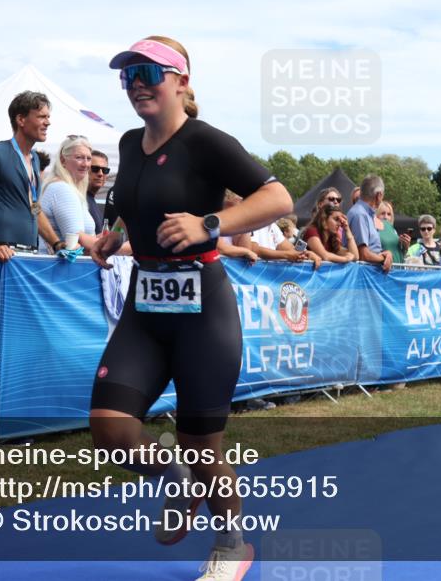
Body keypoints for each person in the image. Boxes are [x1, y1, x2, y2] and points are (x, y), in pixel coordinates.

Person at [90, 36, 293, 579]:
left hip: (204, 308)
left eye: (148, 73)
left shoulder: (207, 142)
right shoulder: (130, 144)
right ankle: (178, 480)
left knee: (203, 444)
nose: (136, 84)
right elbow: (127, 202)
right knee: (110, 430)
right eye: (127, 75)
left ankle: (232, 543)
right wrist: (113, 236)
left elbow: (278, 199)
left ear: (180, 80)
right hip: (146, 307)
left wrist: (210, 224)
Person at [0, 91, 65, 261]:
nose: (48, 122)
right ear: (21, 120)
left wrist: (56, 243)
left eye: (48, 117)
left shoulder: (35, 160)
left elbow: (34, 208)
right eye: (41, 117)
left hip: (29, 254)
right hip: (1, 255)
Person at [38, 136, 98, 253]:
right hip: (58, 267)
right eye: (79, 157)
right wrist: (119, 247)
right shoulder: (62, 188)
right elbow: (76, 239)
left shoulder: (68, 188)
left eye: (89, 158)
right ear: (63, 160)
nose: (85, 164)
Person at [347, 175, 393, 273]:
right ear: (379, 195)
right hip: (362, 277)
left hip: (367, 275)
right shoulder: (360, 214)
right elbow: (364, 255)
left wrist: (386, 253)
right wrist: (383, 258)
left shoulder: (366, 214)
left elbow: (372, 249)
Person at [88, 149, 110, 229]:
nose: (100, 174)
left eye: (105, 170)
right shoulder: (79, 200)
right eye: (95, 169)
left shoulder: (90, 200)